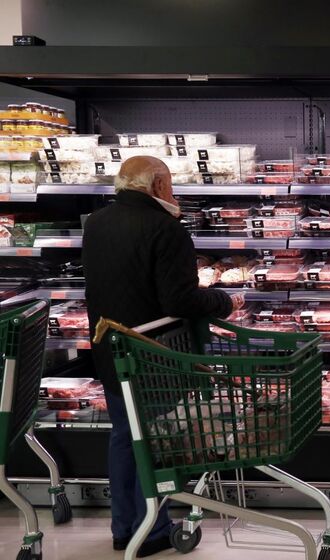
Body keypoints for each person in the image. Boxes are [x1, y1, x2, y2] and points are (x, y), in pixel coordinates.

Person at [83, 156, 244, 557]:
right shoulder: (165, 228)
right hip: (155, 354)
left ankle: (124, 527)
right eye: (170, 184)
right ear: (157, 186)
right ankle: (151, 531)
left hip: (110, 348)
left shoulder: (97, 223)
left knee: (125, 436)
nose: (173, 192)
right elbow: (180, 299)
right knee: (154, 441)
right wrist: (225, 300)